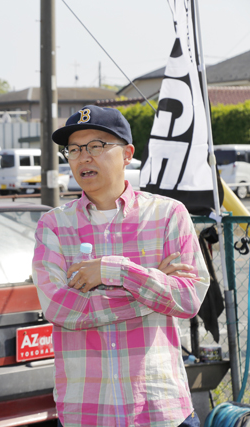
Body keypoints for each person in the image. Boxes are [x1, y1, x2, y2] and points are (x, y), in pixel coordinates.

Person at [32, 106, 209, 427]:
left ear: (127, 154)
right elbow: (61, 310)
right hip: (86, 409)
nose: (83, 157)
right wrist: (151, 290)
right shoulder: (53, 226)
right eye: (73, 149)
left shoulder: (168, 215)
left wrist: (114, 272)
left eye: (96, 146)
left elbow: (188, 299)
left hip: (159, 407)